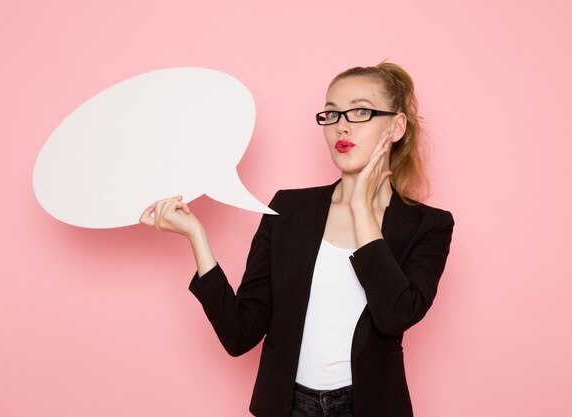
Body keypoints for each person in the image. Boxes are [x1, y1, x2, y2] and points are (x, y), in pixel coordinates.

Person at [139, 62, 454, 417]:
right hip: (288, 406)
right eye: (332, 115)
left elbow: (395, 316)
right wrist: (196, 236)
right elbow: (239, 335)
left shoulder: (430, 225)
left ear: (396, 126)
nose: (342, 126)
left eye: (361, 111)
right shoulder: (288, 208)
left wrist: (360, 208)